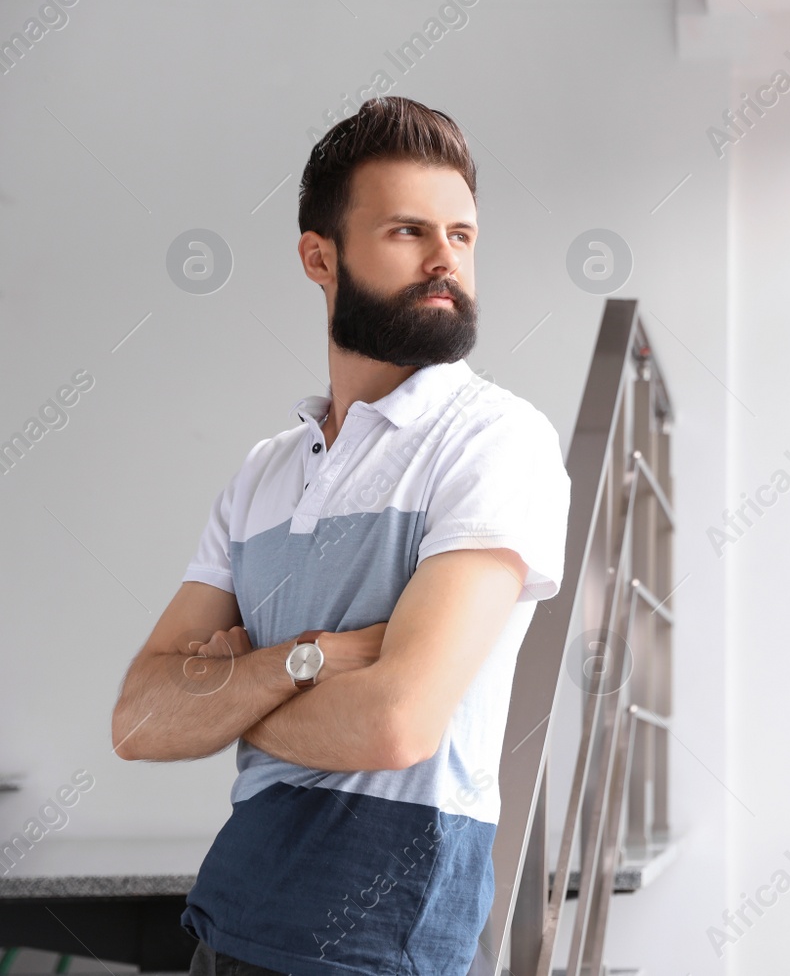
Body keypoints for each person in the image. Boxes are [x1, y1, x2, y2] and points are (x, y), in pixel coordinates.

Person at [109, 96, 571, 976]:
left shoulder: (493, 442)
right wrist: (309, 658)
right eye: (409, 231)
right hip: (232, 917)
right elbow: (140, 719)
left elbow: (397, 724)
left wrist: (228, 700)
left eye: (463, 236)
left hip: (381, 933)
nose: (447, 259)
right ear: (319, 257)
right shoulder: (263, 474)